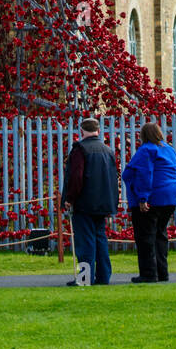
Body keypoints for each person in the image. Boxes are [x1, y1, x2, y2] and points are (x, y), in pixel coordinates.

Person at [60, 116, 120, 285]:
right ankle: (103, 276)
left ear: (82, 131)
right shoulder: (108, 150)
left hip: (85, 202)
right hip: (103, 202)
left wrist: (70, 198)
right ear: (98, 131)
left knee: (85, 242)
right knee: (100, 239)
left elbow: (77, 177)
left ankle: (85, 278)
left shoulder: (80, 150)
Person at [122, 122, 176, 283]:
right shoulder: (169, 149)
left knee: (145, 236)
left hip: (154, 196)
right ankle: (162, 272)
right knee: (160, 234)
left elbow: (145, 173)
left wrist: (143, 198)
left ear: (143, 135)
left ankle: (149, 273)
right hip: (171, 196)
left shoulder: (146, 150)